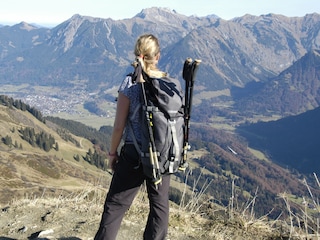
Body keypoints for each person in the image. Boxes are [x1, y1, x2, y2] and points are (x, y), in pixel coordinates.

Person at [94, 34, 171, 240]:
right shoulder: (167, 83)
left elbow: (119, 126)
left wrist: (112, 153)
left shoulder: (129, 83)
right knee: (159, 208)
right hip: (162, 155)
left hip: (134, 153)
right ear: (158, 56)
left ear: (137, 55)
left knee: (116, 204)